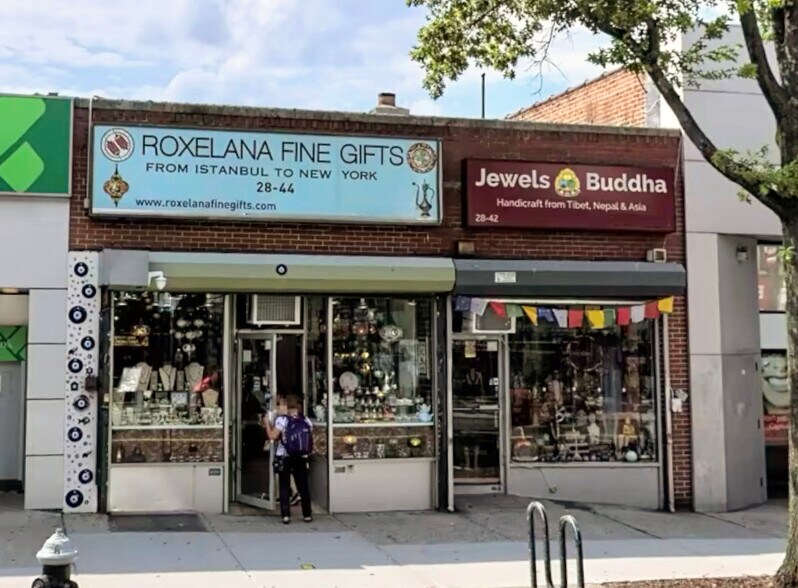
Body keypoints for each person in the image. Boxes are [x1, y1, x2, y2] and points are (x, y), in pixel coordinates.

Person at [264, 395, 313, 524]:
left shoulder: (282, 420)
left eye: (281, 405)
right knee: (303, 486)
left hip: (284, 456)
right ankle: (307, 514)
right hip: (301, 456)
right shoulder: (306, 420)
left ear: (286, 406)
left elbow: (272, 436)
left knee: (284, 485)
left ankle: (286, 515)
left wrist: (267, 423)